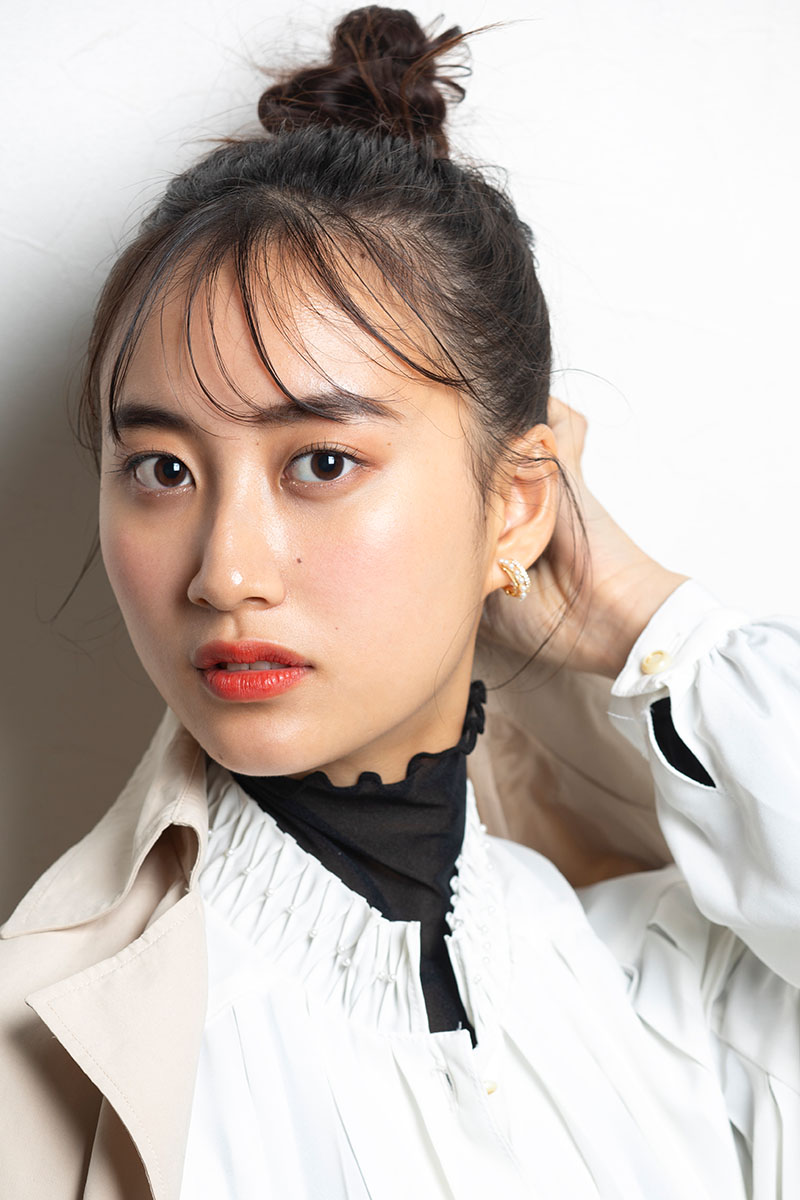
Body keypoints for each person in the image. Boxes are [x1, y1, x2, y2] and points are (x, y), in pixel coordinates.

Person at [1, 6, 798, 1197]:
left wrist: (639, 622)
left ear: (516, 505)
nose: (224, 572)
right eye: (162, 470)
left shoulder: (666, 995)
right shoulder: (57, 1066)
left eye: (320, 462)